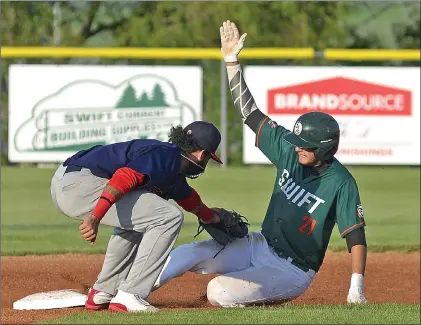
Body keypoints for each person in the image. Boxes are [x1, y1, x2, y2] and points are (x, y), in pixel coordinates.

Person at [151, 20, 368, 307]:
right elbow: (249, 113)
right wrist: (231, 62)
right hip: (259, 244)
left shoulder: (340, 182)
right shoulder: (289, 149)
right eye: (298, 141)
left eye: (307, 146)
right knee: (189, 253)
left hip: (292, 270)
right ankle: (128, 291)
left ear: (326, 149)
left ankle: (261, 292)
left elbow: (356, 236)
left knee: (219, 291)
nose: (299, 147)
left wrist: (356, 289)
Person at [50, 121, 224, 313]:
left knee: (146, 218)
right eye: (208, 158)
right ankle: (131, 295)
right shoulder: (164, 156)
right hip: (78, 184)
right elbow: (124, 177)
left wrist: (212, 218)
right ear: (202, 154)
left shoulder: (172, 166)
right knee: (169, 217)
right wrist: (95, 217)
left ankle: (103, 292)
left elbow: (190, 200)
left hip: (69, 182)